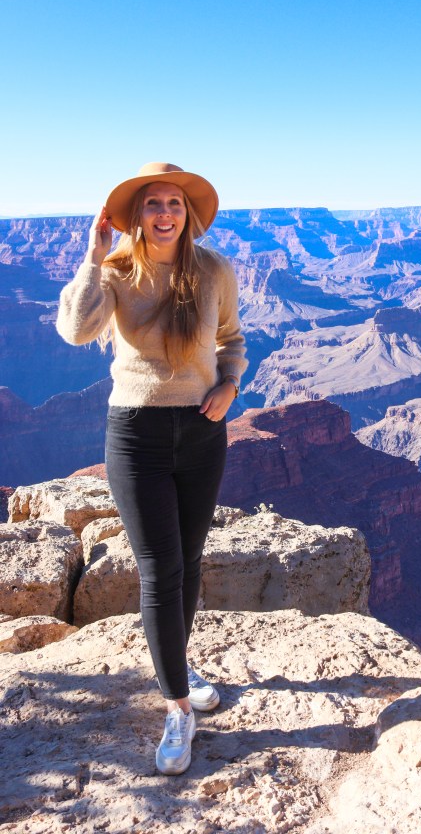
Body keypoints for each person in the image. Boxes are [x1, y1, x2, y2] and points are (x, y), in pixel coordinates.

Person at [56, 162, 248, 776]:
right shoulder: (115, 273)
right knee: (159, 568)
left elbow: (231, 338)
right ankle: (177, 706)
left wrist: (230, 387)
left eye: (174, 203)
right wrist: (94, 255)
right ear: (135, 215)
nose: (165, 214)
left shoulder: (214, 269)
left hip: (200, 431)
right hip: (135, 433)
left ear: (187, 213)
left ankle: (178, 663)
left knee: (190, 559)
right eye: (152, 204)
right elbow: (74, 329)